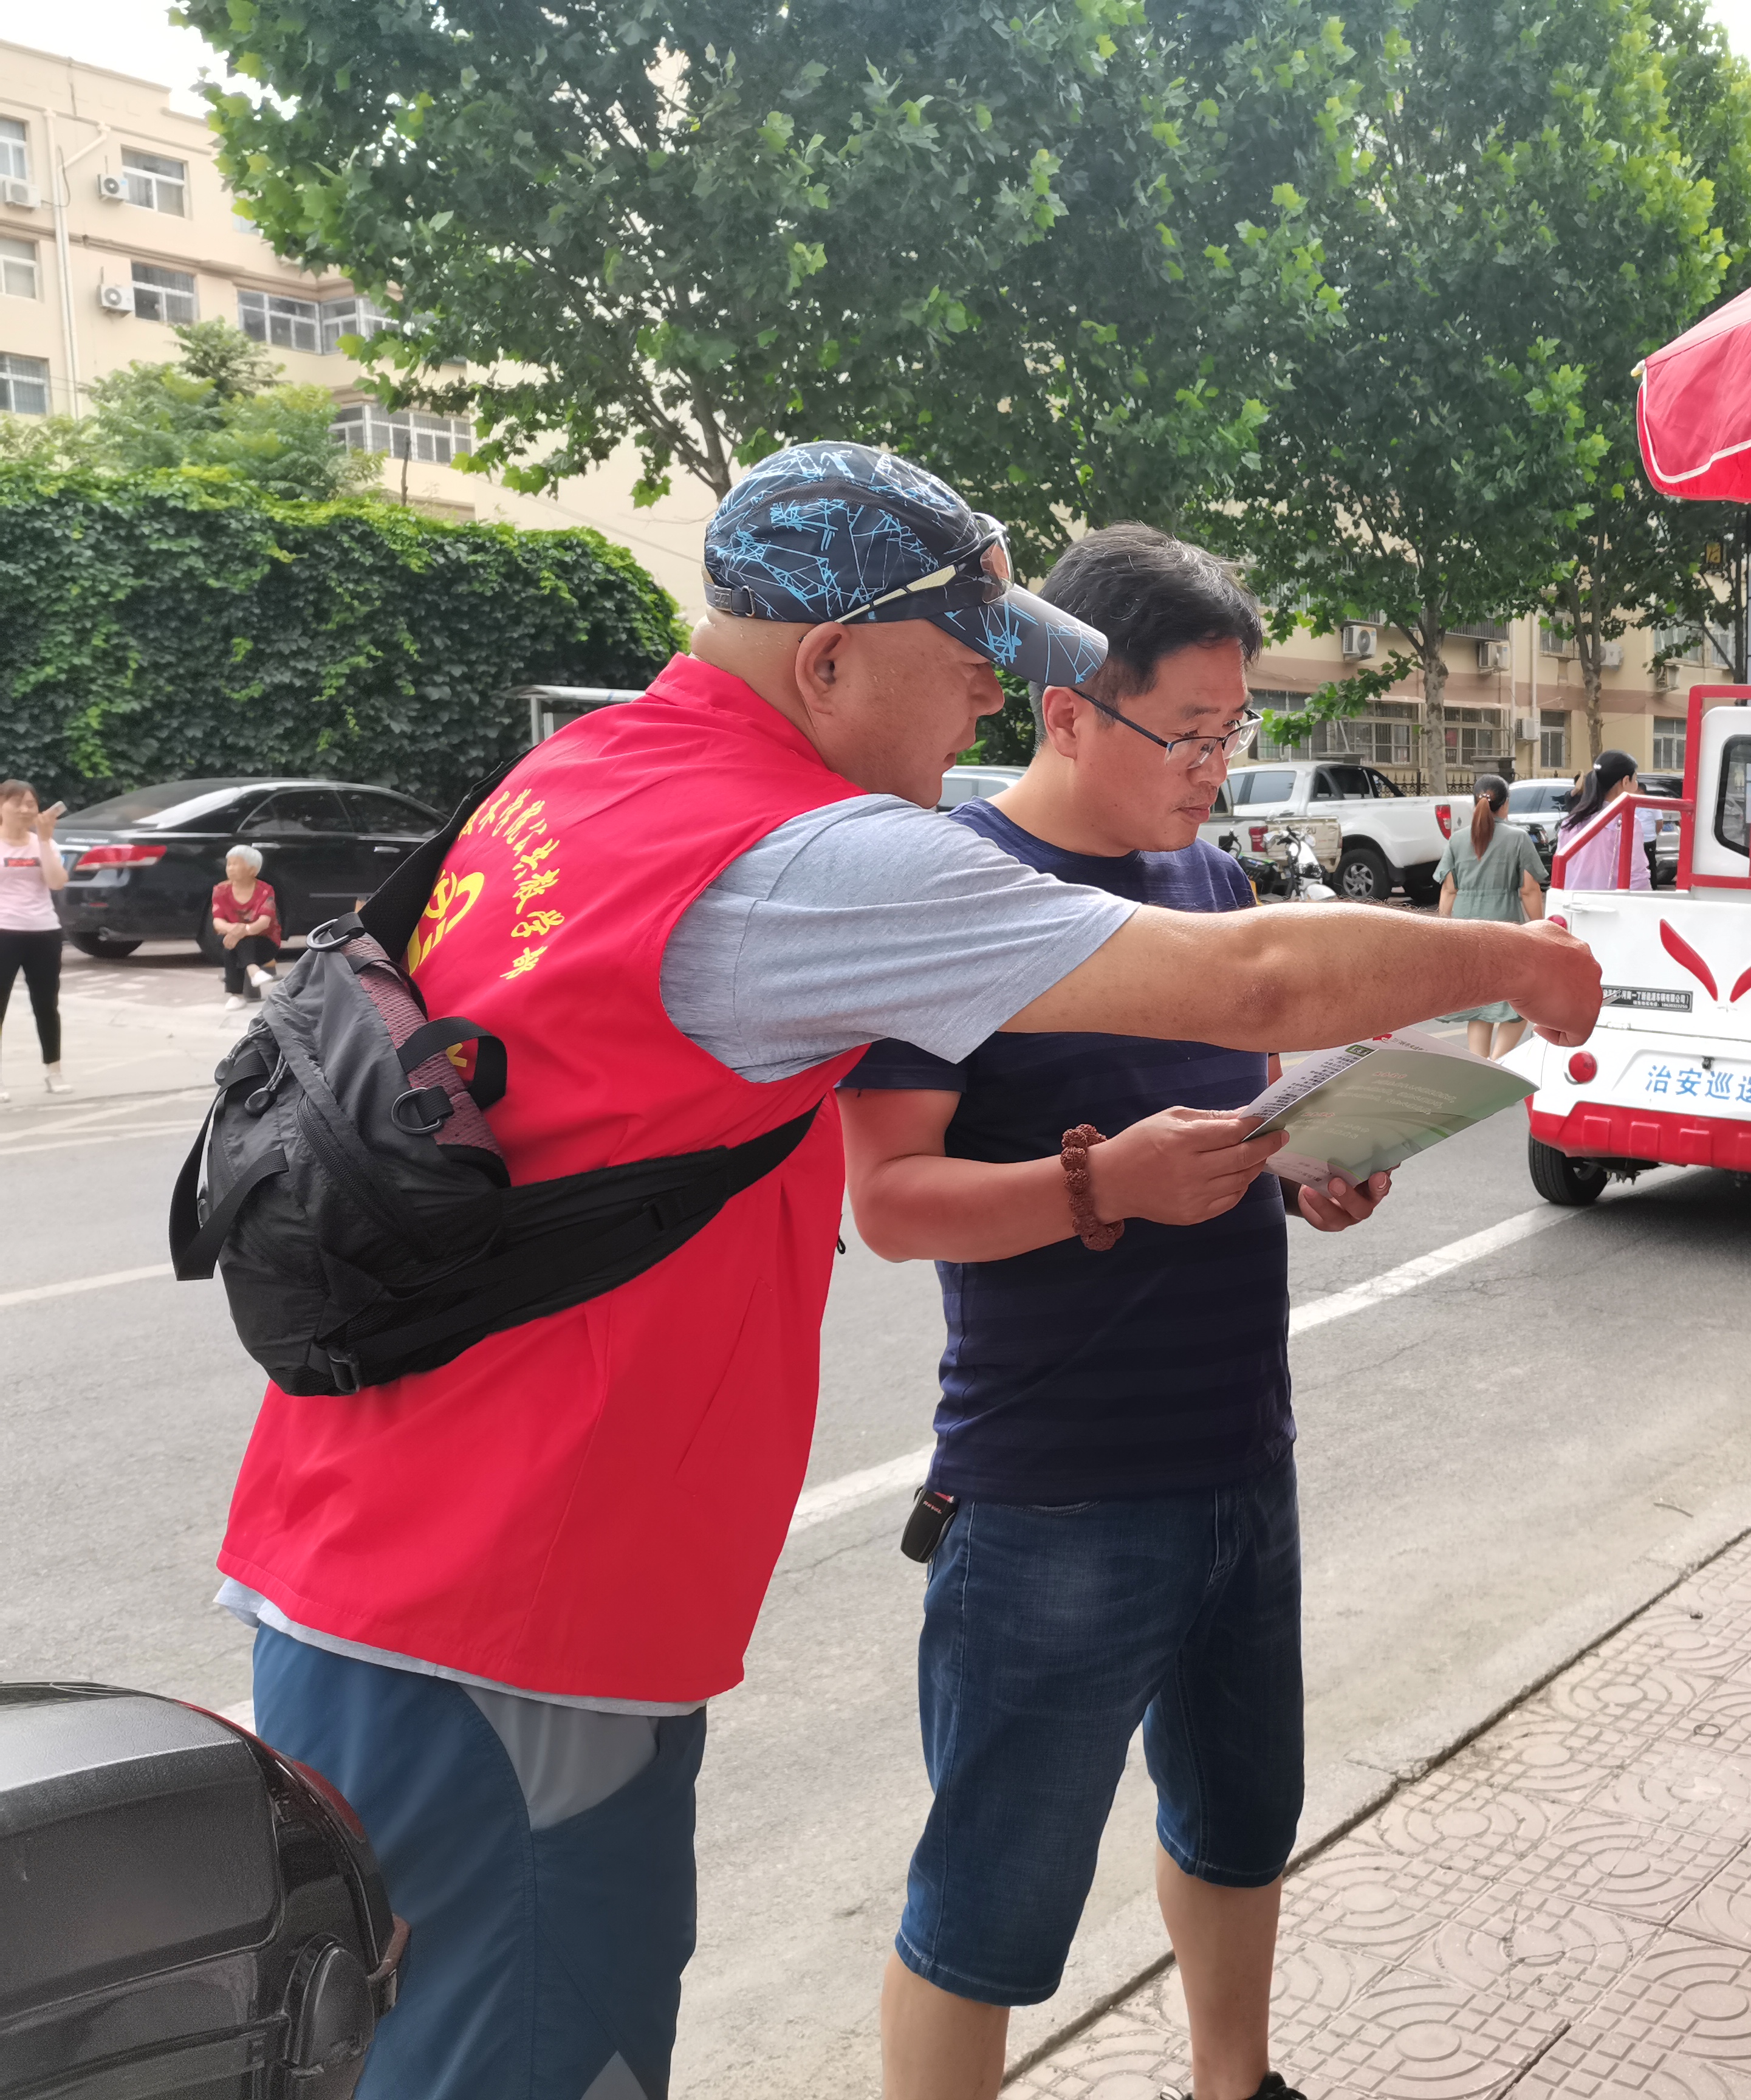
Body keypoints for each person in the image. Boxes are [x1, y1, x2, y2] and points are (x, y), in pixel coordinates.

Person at [212, 444, 1599, 2100]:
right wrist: (1518, 960)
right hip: (506, 1609)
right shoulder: (799, 859)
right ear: (828, 663)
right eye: (968, 667)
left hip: (378, 1553)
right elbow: (1258, 984)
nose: (986, 714)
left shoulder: (583, 776)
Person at [841, 524, 1389, 2100]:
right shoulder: (957, 891)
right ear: (1068, 710)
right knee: (990, 1902)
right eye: (1191, 734)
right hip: (1055, 1498)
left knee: (1241, 1821)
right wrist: (1104, 1185)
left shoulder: (1206, 883)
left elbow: (1233, 1112)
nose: (1218, 770)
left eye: (1237, 731)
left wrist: (1307, 1169)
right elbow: (890, 1202)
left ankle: (1236, 2082)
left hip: (1241, 1460)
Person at [1435, 773, 1548, 1057]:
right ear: (1506, 804)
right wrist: (1540, 928)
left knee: (1480, 1002)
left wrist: (1441, 930)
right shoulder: (1518, 838)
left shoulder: (1458, 840)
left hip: (1464, 928)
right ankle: (1499, 1061)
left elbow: (1449, 889)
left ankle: (1481, 1063)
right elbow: (1529, 890)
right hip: (1504, 926)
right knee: (1519, 1003)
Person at [0, 778, 71, 1099]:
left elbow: (56, 882)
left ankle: (54, 1071)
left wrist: (44, 840)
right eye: (18, 803)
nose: (26, 810)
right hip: (4, 931)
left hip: (44, 931)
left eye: (31, 804)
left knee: (47, 1004)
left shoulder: (44, 842)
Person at [1553, 748, 1657, 888]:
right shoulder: (1625, 822)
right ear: (1626, 781)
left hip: (1572, 899)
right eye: (1635, 779)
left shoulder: (1572, 821)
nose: (1637, 785)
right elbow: (1637, 875)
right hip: (1607, 901)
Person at [210, 844, 284, 1008]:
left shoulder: (265, 890)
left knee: (237, 944)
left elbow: (264, 922)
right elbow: (217, 921)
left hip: (264, 943)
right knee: (234, 944)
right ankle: (253, 971)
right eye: (229, 864)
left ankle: (236, 996)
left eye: (236, 864)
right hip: (229, 939)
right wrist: (234, 930)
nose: (231, 868)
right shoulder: (221, 890)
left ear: (252, 870)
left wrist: (243, 931)